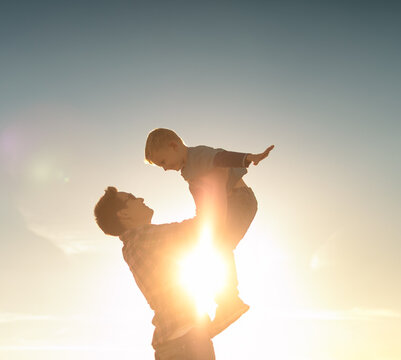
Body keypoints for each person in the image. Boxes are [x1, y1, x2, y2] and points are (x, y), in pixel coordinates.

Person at [94, 169, 238, 360]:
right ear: (124, 214)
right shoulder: (142, 239)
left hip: (181, 342)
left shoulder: (137, 244)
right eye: (132, 197)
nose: (141, 199)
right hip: (186, 344)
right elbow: (204, 226)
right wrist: (216, 185)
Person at [144, 128, 274, 336]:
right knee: (213, 248)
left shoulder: (198, 155)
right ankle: (225, 300)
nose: (165, 169)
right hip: (227, 205)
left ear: (174, 146)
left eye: (163, 162)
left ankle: (230, 301)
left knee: (220, 247)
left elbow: (221, 157)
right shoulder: (187, 169)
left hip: (240, 201)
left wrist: (249, 157)